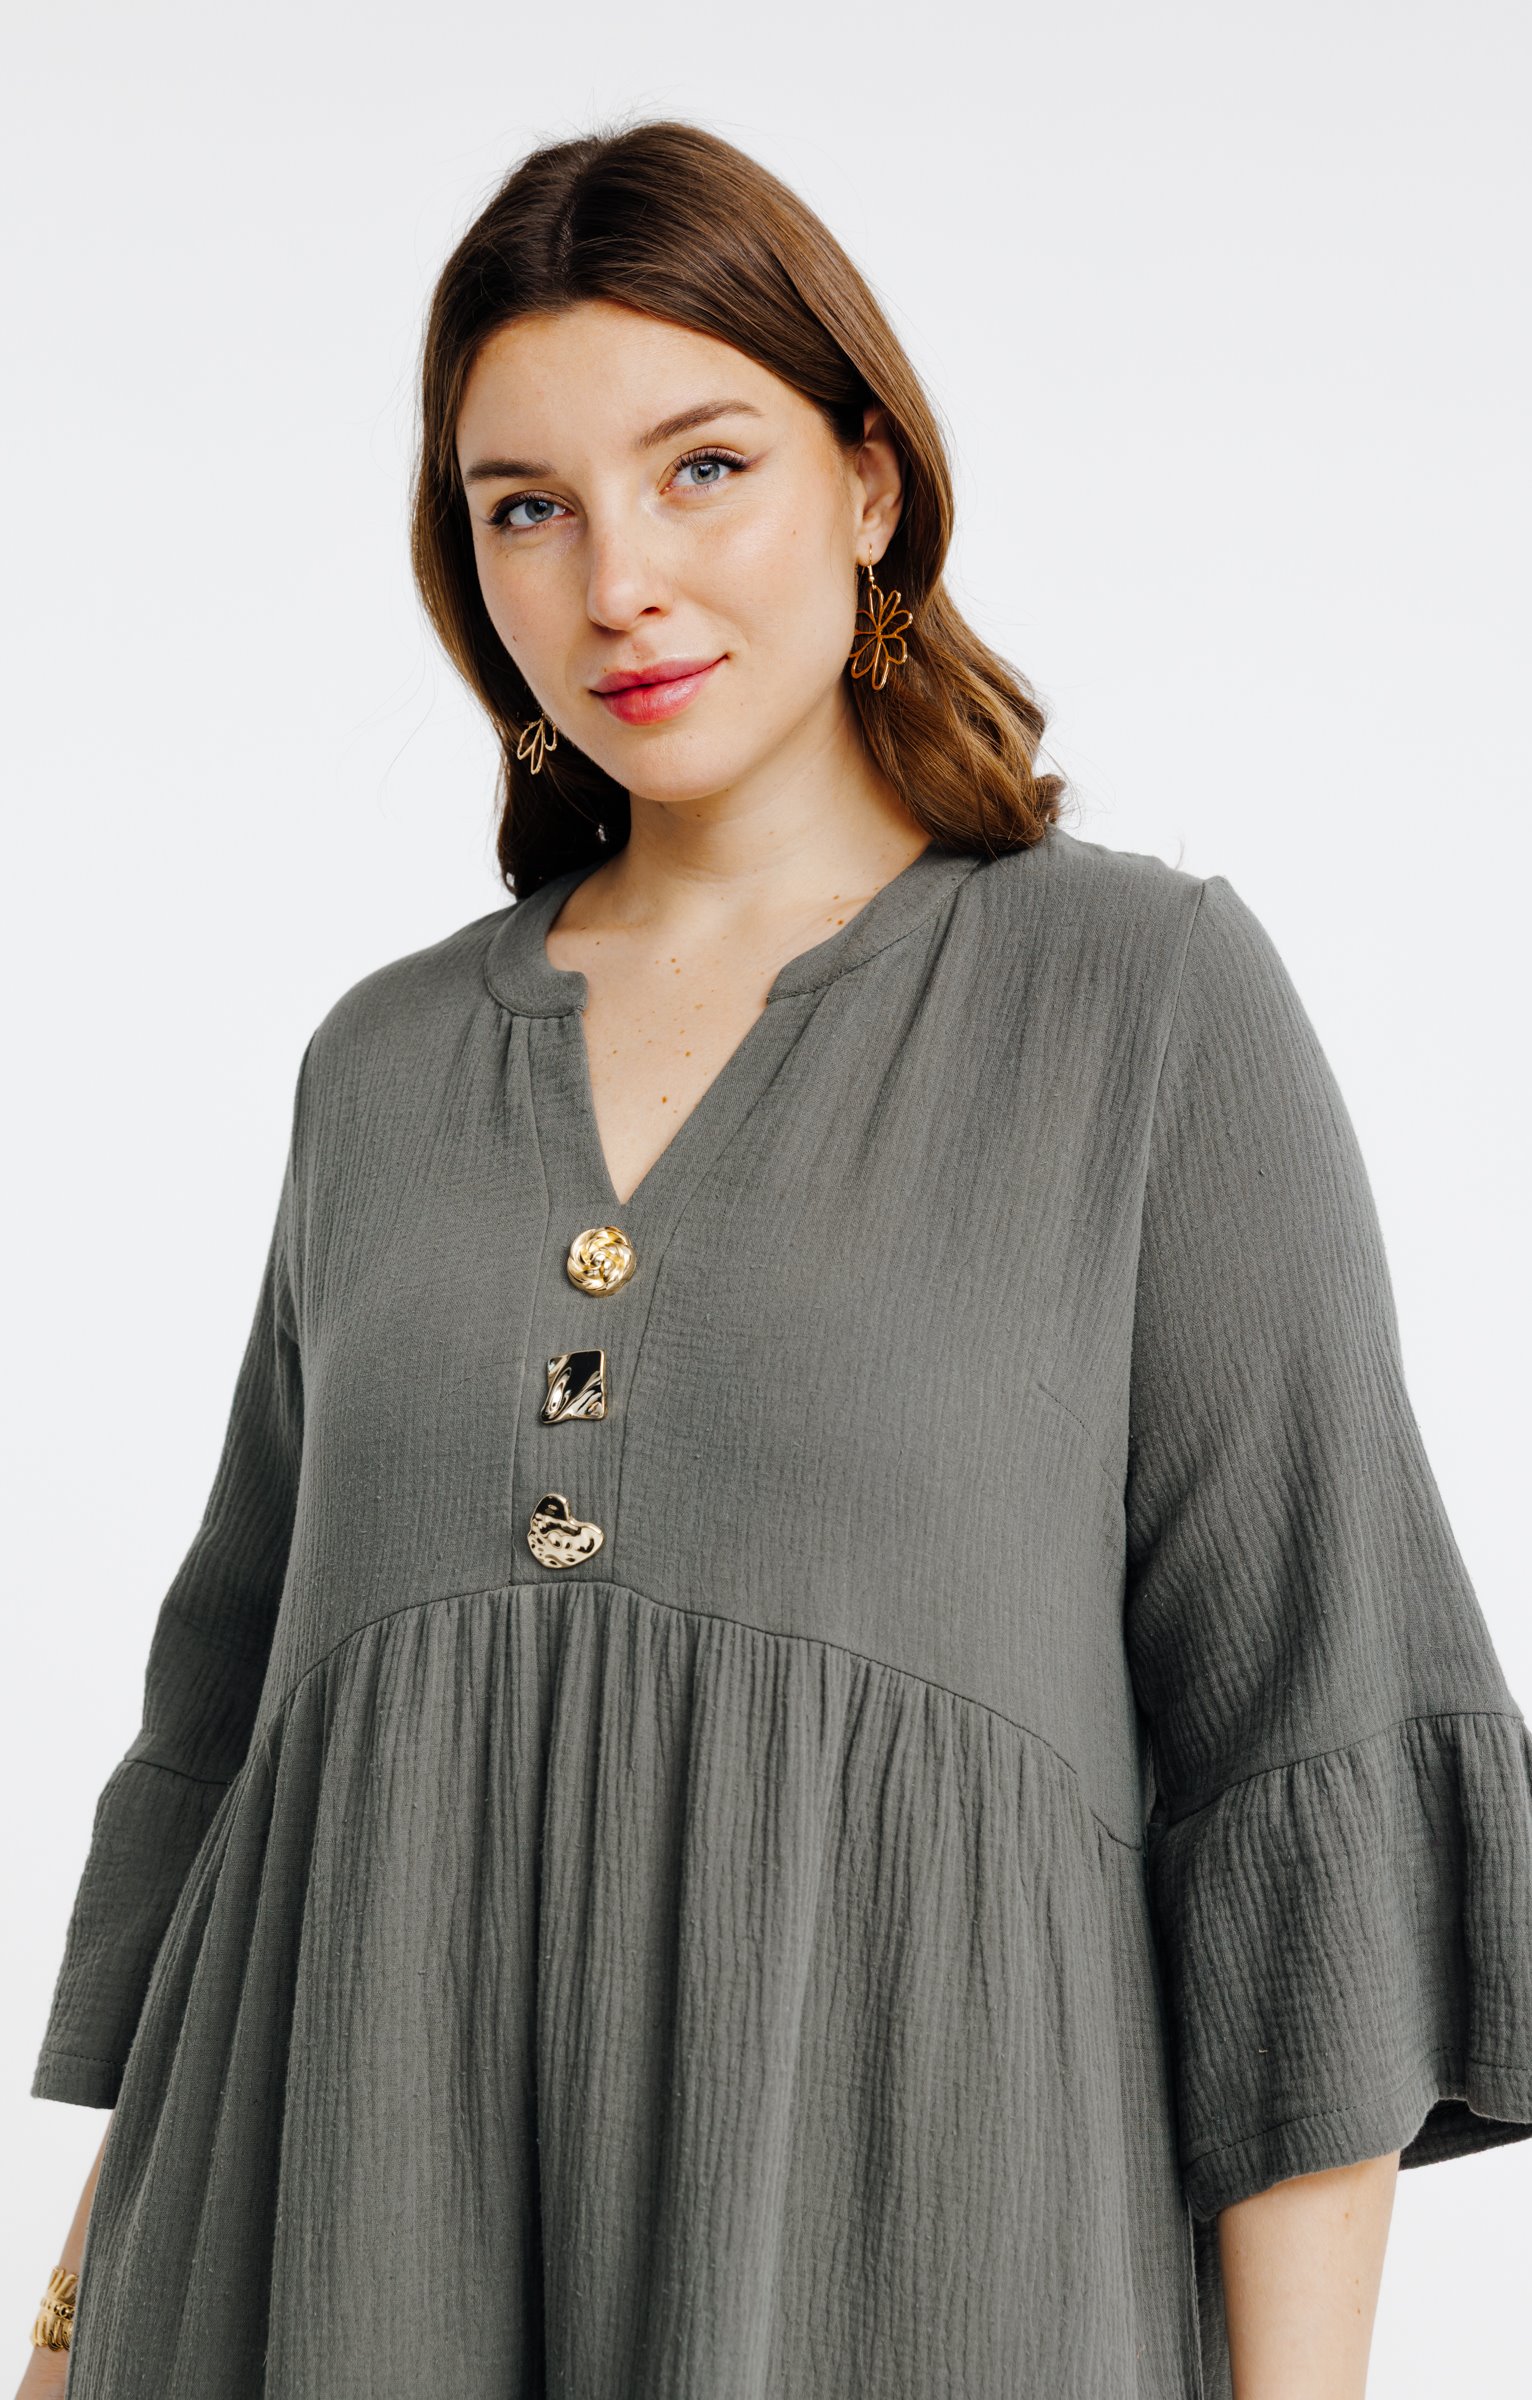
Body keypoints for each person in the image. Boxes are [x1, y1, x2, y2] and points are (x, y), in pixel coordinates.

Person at [19, 116, 1532, 2400]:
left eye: (701, 467)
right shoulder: (381, 1071)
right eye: (526, 506)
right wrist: (65, 2330)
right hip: (330, 2282)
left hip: (929, 2281)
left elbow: (1301, 1758)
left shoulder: (1142, 1007)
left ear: (868, 482)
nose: (618, 578)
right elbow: (244, 1762)